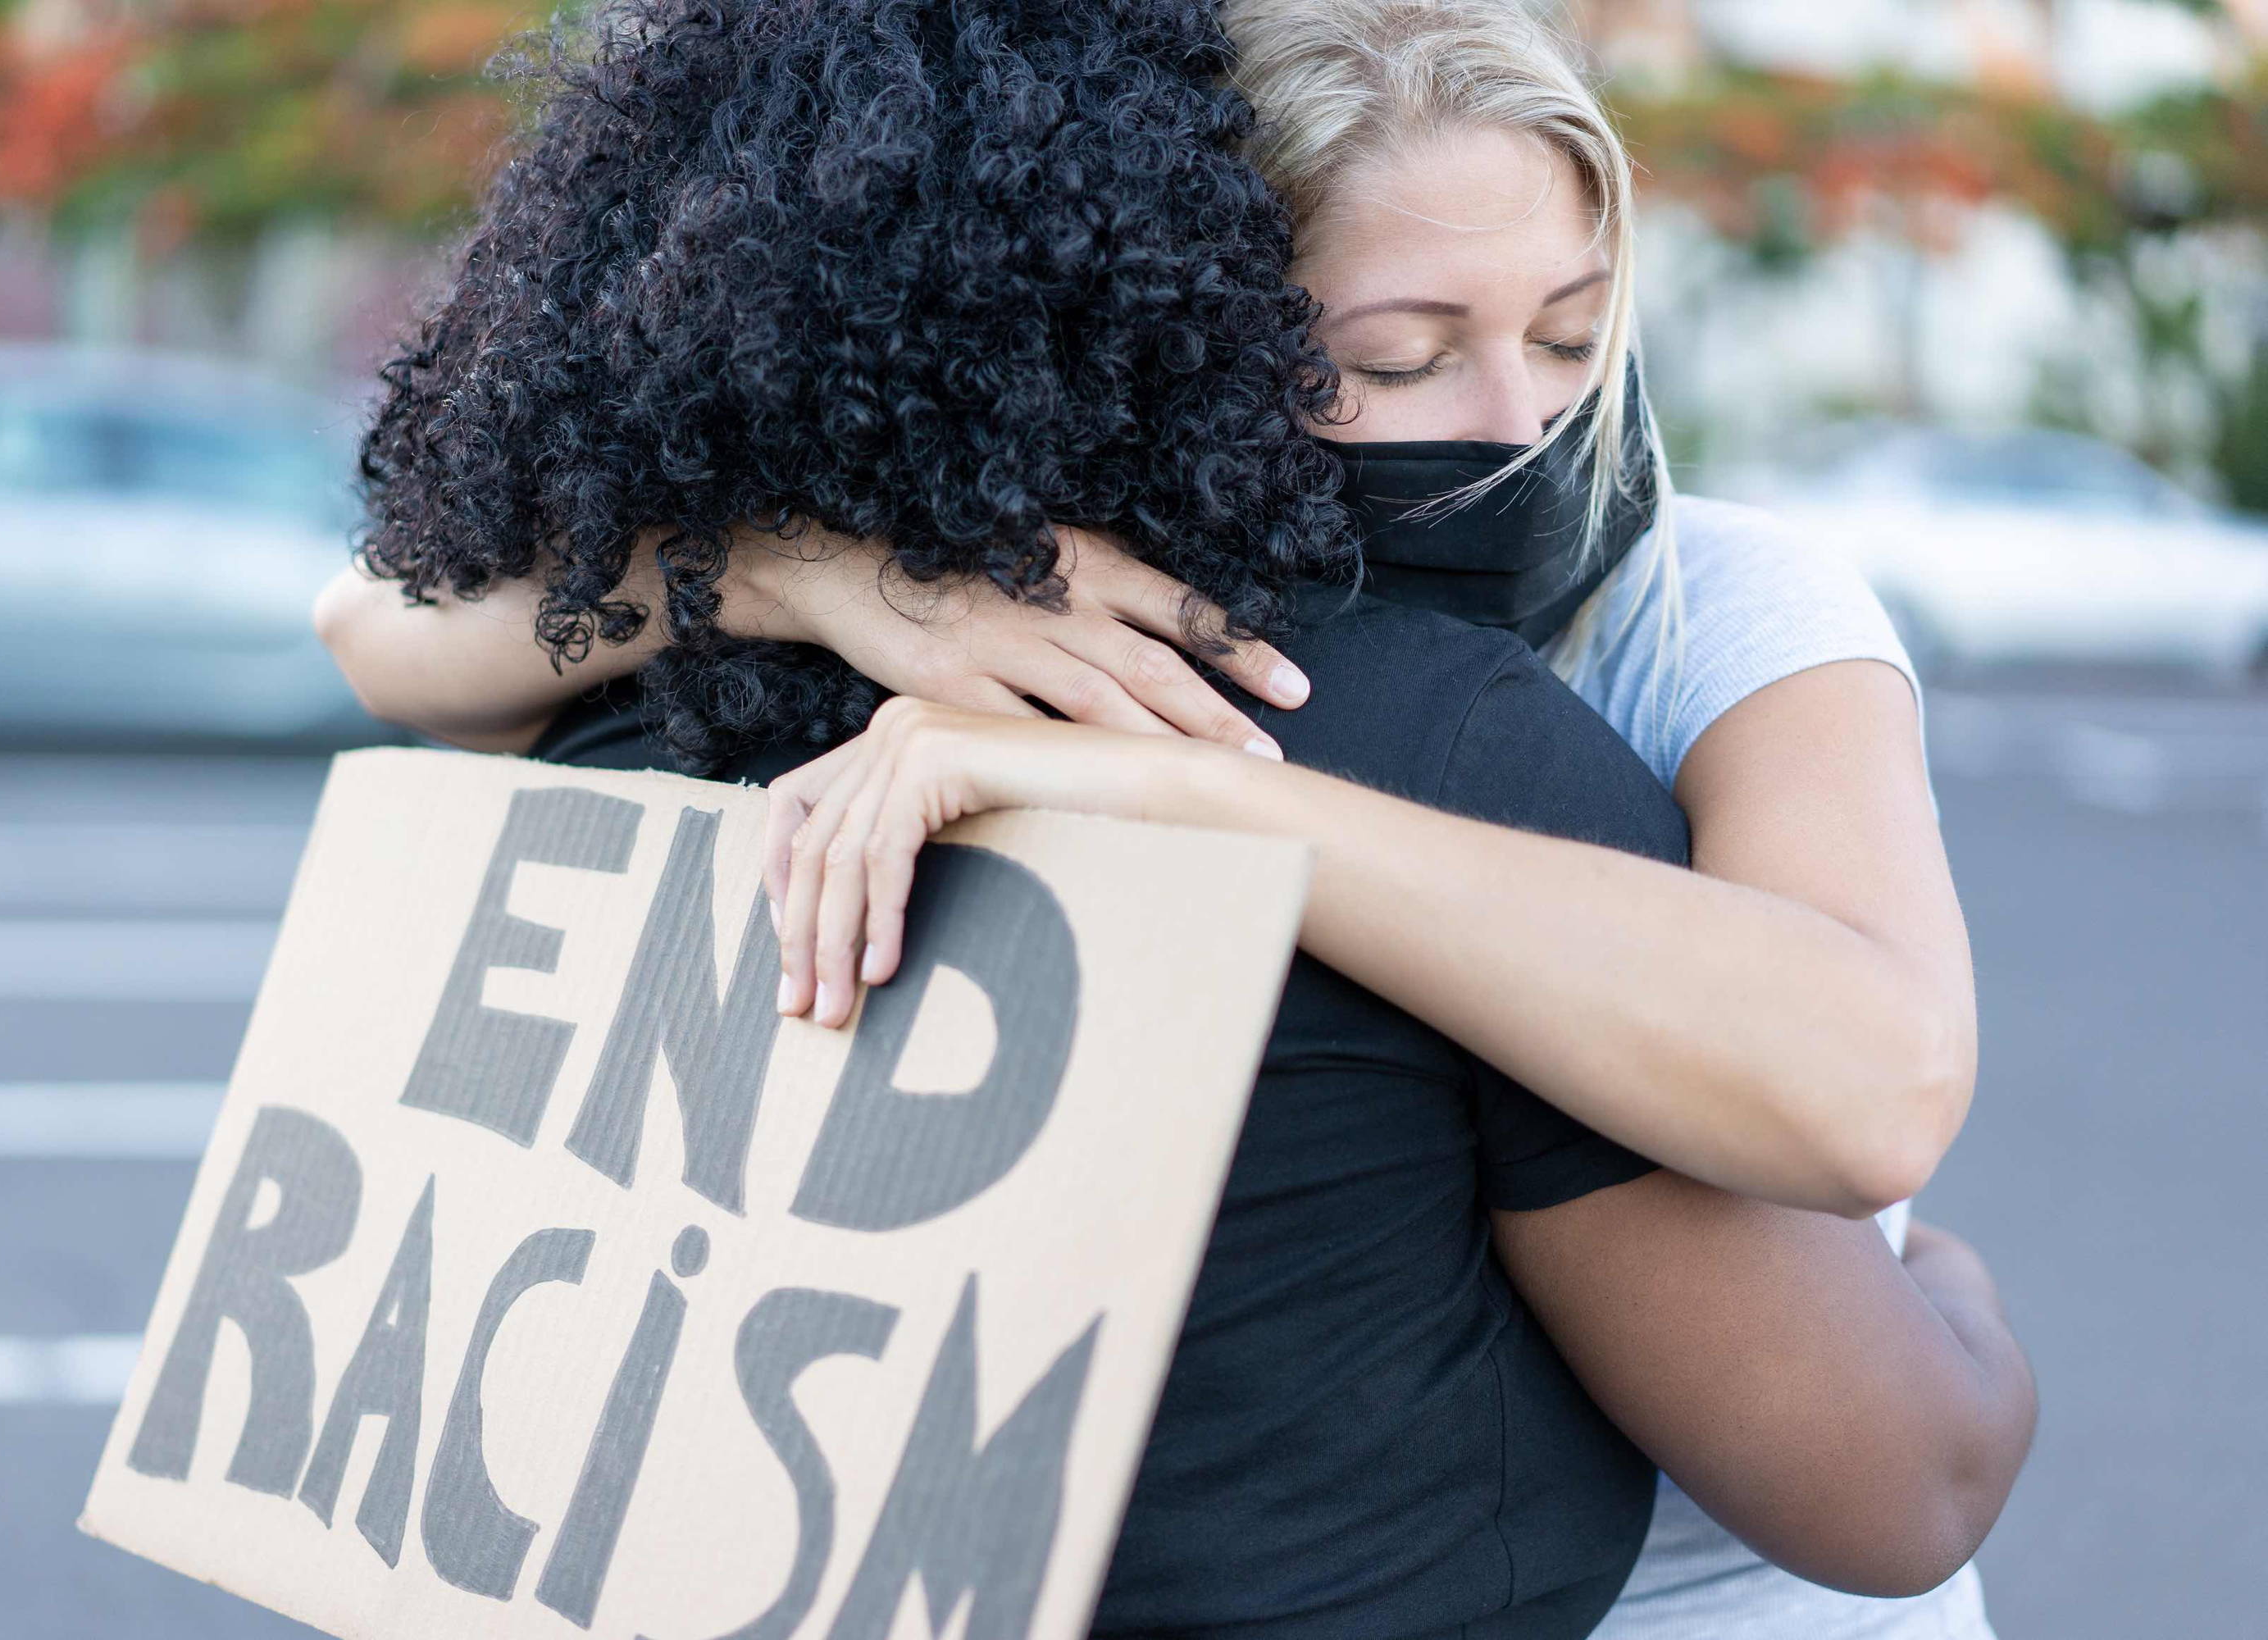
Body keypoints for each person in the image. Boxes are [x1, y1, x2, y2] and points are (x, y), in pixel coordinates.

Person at [319, 0, 2033, 1636]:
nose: (1524, 427)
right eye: (1400, 358)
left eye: (1578, 335)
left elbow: (1871, 1081)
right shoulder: (1096, 644)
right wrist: (794, 572)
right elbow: (374, 621)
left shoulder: (1707, 611)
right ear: (1173, 335)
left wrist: (1194, 793)